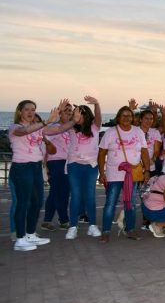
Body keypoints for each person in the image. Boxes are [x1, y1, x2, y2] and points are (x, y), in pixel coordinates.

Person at [9, 100, 72, 251]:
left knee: (37, 202)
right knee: (23, 203)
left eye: (33, 109)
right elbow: (24, 132)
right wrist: (46, 121)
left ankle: (30, 234)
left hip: (36, 167)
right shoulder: (14, 128)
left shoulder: (39, 130)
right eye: (27, 109)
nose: (30, 112)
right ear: (20, 112)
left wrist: (74, 120)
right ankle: (20, 238)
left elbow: (60, 128)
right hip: (21, 168)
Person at [97, 105, 151, 243]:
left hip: (132, 174)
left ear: (133, 118)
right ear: (118, 118)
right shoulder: (110, 132)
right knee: (110, 203)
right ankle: (106, 231)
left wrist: (147, 170)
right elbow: (102, 153)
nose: (126, 118)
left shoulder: (138, 132)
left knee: (131, 203)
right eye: (123, 115)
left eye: (129, 115)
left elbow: (144, 151)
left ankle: (130, 229)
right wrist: (101, 172)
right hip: (114, 173)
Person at [65, 97, 103, 240]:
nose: (77, 115)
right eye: (75, 113)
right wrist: (69, 114)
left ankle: (92, 226)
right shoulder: (71, 127)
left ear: (85, 115)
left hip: (91, 166)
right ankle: (73, 226)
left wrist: (96, 104)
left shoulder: (94, 126)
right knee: (75, 196)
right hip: (74, 165)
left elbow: (98, 117)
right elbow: (62, 123)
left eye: (79, 113)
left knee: (90, 196)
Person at [41, 102, 73, 231]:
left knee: (64, 192)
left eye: (70, 111)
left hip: (68, 163)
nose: (69, 113)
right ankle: (60, 220)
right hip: (56, 162)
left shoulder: (71, 128)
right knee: (56, 192)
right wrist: (45, 166)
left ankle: (58, 219)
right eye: (66, 111)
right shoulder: (54, 127)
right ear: (59, 113)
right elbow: (45, 145)